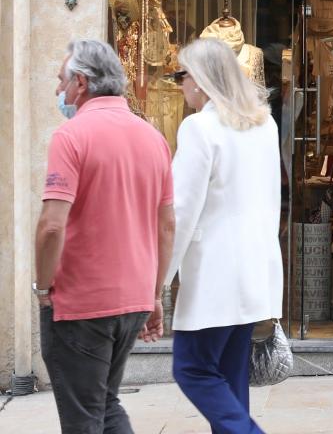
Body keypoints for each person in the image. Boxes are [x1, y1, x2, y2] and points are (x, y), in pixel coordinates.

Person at [36, 40, 174, 433]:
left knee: (84, 417)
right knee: (104, 405)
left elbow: (51, 224)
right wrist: (154, 293)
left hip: (82, 302)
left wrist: (42, 287)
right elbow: (166, 225)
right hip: (132, 298)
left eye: (62, 81)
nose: (59, 90)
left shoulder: (71, 135)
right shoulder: (153, 138)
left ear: (81, 82)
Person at [165, 39, 283, 433]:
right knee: (231, 380)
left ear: (198, 80)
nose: (179, 85)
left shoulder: (199, 128)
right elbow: (272, 199)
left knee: (192, 368)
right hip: (256, 266)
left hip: (215, 273)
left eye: (181, 76)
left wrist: (160, 281)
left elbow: (181, 213)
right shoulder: (264, 123)